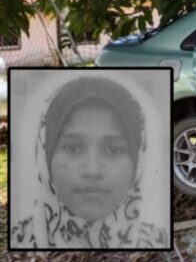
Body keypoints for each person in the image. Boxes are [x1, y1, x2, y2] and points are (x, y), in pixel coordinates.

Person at [10, 70, 170, 249]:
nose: (92, 171)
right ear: (44, 155)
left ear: (139, 160)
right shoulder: (22, 240)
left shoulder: (156, 243)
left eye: (113, 150)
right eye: (72, 148)